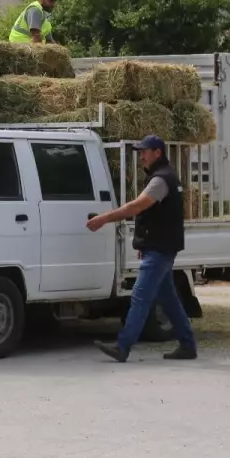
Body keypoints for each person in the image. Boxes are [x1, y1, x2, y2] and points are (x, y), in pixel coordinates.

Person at [86, 135, 198, 362]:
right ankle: (188, 345)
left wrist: (104, 219)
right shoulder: (165, 176)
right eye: (140, 152)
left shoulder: (160, 180)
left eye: (144, 152)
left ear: (157, 152)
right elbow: (156, 216)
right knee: (169, 299)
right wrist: (145, 243)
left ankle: (123, 345)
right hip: (160, 246)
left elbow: (136, 207)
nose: (141, 156)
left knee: (139, 296)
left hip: (160, 249)